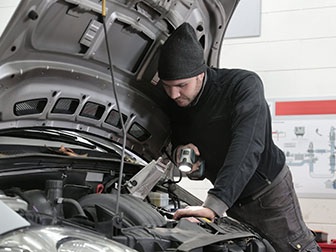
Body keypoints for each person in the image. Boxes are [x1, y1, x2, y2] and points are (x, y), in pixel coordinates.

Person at [157, 22, 321, 252]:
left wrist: (214, 205)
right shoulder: (175, 102)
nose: (173, 94)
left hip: (268, 194)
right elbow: (175, 140)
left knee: (294, 248)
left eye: (181, 85)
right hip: (231, 199)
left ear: (201, 74)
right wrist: (185, 158)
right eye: (167, 86)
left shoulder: (242, 86)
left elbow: (247, 146)